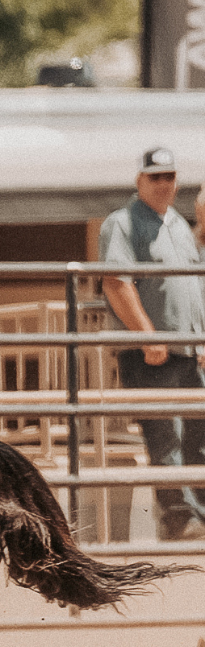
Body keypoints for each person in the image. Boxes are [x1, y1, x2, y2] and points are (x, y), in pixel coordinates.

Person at [100, 147, 205, 541]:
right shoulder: (122, 223)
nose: (164, 184)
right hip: (151, 355)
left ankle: (199, 515)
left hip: (187, 352)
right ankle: (178, 519)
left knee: (199, 436)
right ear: (139, 181)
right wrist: (146, 335)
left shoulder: (178, 223)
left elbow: (193, 285)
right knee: (166, 438)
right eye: (155, 177)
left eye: (170, 177)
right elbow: (116, 281)